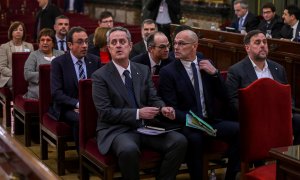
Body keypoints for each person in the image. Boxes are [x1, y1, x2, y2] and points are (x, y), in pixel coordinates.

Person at [92, 26, 187, 179]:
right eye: (114, 42)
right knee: (129, 149)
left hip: (145, 127)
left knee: (179, 141)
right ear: (109, 48)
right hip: (117, 130)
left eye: (122, 41)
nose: (118, 45)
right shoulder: (100, 76)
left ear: (130, 46)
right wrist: (138, 113)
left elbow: (153, 98)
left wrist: (163, 108)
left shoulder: (142, 70)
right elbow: (105, 112)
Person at [158, 29, 240, 180]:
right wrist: (199, 124)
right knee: (195, 140)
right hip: (188, 123)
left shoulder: (205, 63)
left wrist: (215, 74)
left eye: (181, 43)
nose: (176, 47)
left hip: (211, 120)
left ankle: (231, 177)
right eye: (174, 43)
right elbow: (173, 109)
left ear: (195, 46)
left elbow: (224, 96)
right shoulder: (168, 72)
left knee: (240, 130)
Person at [225, 29, 300, 145]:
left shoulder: (278, 68)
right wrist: (254, 114)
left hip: (278, 114)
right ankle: (259, 160)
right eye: (257, 42)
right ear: (247, 48)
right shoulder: (236, 70)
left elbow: (287, 94)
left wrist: (288, 110)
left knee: (298, 120)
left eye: (265, 42)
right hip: (254, 116)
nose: (263, 45)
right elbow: (232, 100)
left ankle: (290, 159)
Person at [49, 26, 100, 149]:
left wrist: (89, 106)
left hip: (91, 105)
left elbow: (100, 88)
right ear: (70, 45)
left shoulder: (95, 61)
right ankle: (83, 156)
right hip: (67, 108)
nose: (85, 46)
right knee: (80, 119)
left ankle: (99, 152)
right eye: (80, 42)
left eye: (86, 41)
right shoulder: (58, 63)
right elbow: (56, 93)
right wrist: (78, 104)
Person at [24, 28, 64, 99]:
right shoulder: (33, 55)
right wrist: (46, 76)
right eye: (42, 40)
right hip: (38, 90)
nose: (45, 42)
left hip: (58, 87)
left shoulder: (61, 54)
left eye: (48, 40)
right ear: (39, 42)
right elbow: (27, 74)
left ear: (53, 43)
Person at [0, 21, 34, 90]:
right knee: (16, 82)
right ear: (11, 32)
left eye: (21, 30)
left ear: (23, 32)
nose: (18, 32)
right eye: (15, 30)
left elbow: (33, 64)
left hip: (26, 75)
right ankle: (16, 100)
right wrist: (16, 74)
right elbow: (2, 67)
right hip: (9, 77)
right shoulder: (4, 47)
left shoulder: (29, 46)